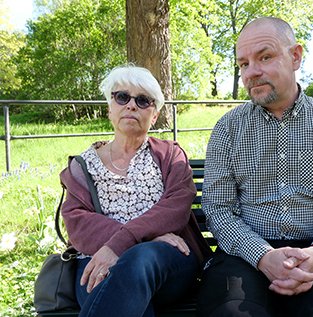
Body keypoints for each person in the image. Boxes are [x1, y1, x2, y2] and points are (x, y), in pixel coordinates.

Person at [197, 17, 313, 317]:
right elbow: (219, 209)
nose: (251, 72)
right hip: (245, 255)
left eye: (264, 57)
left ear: (295, 56)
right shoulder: (228, 129)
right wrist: (264, 256)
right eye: (243, 64)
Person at [60, 64, 211, 317]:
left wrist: (125, 243)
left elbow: (177, 205)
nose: (131, 105)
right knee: (118, 289)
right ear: (110, 107)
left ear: (154, 115)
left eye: (143, 100)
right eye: (122, 97)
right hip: (97, 260)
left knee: (139, 261)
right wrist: (146, 236)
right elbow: (77, 223)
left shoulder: (170, 155)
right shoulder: (83, 166)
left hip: (166, 262)